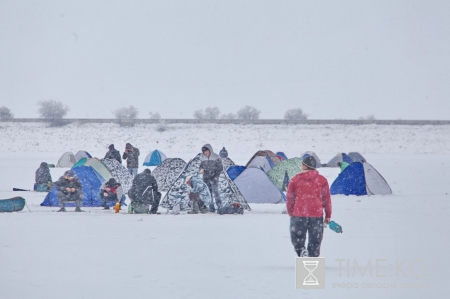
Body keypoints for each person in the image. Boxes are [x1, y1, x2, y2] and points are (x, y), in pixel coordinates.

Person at [286, 156, 332, 257]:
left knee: (297, 236)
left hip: (299, 214)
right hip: (316, 214)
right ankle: (313, 259)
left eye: (302, 164)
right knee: (315, 239)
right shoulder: (322, 180)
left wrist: (290, 212)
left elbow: (290, 198)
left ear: (305, 166)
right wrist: (328, 215)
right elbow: (326, 199)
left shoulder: (295, 179)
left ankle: (301, 250)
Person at [199, 144, 223, 212]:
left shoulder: (216, 157)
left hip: (214, 177)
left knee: (216, 193)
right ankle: (211, 207)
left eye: (207, 151)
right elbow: (200, 166)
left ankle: (219, 206)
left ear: (210, 150)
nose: (206, 153)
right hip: (206, 178)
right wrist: (201, 169)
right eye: (204, 152)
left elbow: (220, 167)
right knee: (208, 193)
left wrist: (216, 176)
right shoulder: (202, 158)